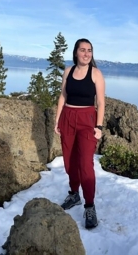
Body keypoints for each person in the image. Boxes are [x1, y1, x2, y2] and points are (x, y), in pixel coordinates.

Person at [54, 38, 105, 229]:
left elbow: (100, 102)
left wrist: (99, 127)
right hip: (68, 117)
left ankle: (89, 206)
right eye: (82, 50)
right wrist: (57, 119)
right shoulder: (68, 71)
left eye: (89, 50)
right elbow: (63, 96)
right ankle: (74, 193)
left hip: (87, 120)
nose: (86, 54)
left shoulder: (96, 74)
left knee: (85, 164)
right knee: (69, 161)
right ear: (76, 52)